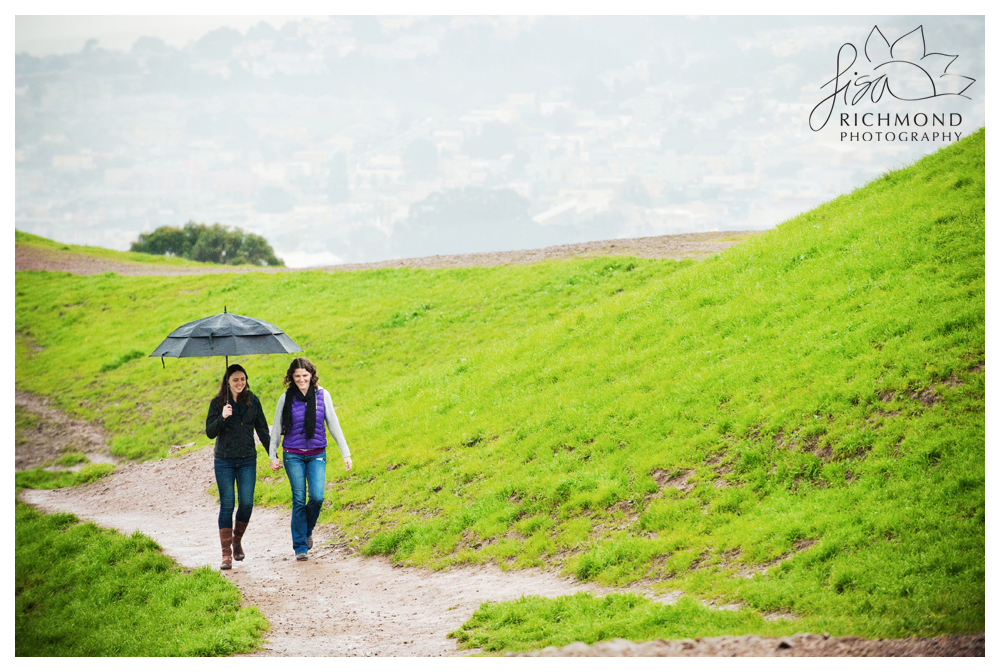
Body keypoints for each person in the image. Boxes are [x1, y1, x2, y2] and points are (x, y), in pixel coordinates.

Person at [269, 357, 353, 560]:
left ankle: (307, 530)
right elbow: (277, 428)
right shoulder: (285, 398)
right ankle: (300, 547)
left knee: (316, 497)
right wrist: (273, 455)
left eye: (305, 375)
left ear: (311, 375)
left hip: (317, 453)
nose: (301, 380)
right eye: (297, 376)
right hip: (292, 454)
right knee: (298, 499)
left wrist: (346, 452)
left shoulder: (323, 396)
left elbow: (333, 424)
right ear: (291, 377)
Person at [205, 364, 270, 570]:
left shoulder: (253, 401)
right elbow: (209, 432)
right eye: (235, 380)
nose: (240, 383)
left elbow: (262, 430)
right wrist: (222, 416)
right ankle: (226, 554)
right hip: (224, 460)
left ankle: (237, 539)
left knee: (247, 503)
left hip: (248, 459)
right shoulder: (217, 403)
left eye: (242, 379)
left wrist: (273, 454)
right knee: (227, 504)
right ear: (228, 382)